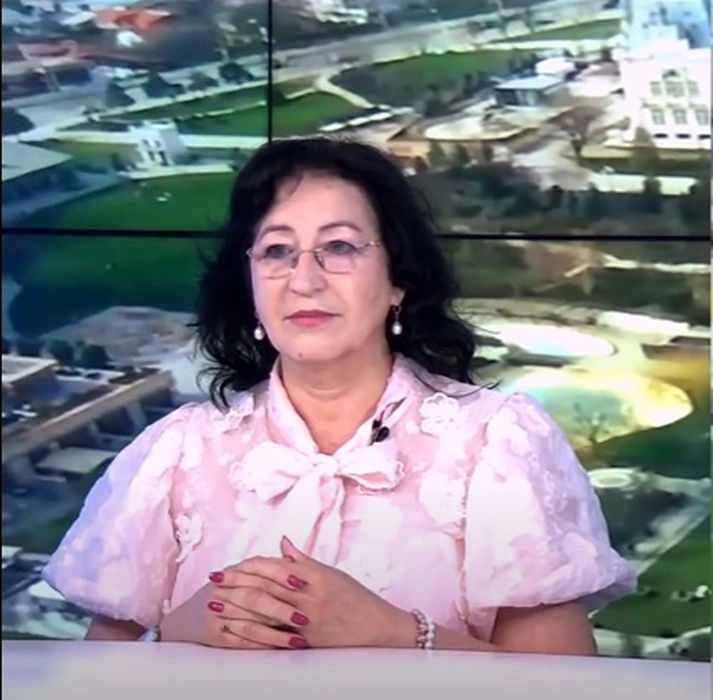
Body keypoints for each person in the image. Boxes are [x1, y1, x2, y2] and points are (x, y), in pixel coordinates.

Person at [42, 137, 636, 653]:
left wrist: (397, 634)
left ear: (398, 281)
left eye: (341, 248)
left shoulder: (498, 442)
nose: (304, 280)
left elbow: (561, 684)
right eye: (277, 251)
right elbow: (98, 681)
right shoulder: (176, 453)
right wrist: (175, 635)